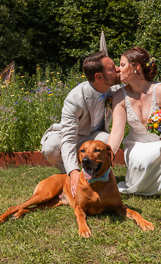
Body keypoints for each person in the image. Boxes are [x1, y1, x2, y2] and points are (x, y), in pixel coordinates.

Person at [108, 47, 161, 195]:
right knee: (146, 159)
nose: (118, 69)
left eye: (123, 65)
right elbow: (116, 132)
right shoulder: (119, 96)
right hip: (137, 143)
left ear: (136, 67)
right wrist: (107, 156)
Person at [41, 51, 121, 197]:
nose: (117, 69)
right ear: (99, 77)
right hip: (74, 135)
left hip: (96, 136)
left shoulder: (115, 90)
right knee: (50, 147)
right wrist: (73, 170)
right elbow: (69, 138)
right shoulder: (75, 98)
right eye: (111, 68)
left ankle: (100, 176)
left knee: (106, 140)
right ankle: (71, 177)